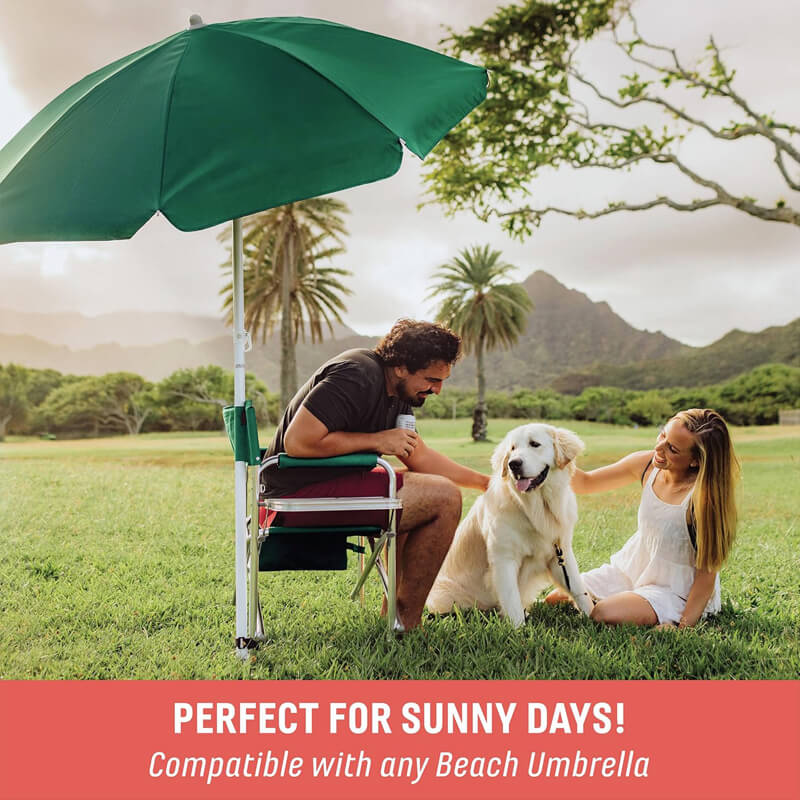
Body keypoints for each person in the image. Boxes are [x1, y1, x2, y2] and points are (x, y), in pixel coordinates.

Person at [262, 318, 490, 631]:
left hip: (330, 484)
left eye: (441, 381)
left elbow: (418, 456)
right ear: (400, 367)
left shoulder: (400, 396)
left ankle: (394, 615)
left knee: (422, 490)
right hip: (296, 494)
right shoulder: (356, 375)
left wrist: (485, 483)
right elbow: (298, 442)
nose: (437, 389)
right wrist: (377, 440)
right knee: (443, 497)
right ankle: (407, 623)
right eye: (431, 379)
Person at [546, 409, 739, 629]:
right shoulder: (647, 464)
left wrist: (682, 627)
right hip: (631, 570)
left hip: (675, 590)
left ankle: (649, 609)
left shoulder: (702, 500)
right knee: (555, 599)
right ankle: (628, 600)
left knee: (602, 613)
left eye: (672, 449)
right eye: (662, 435)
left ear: (695, 461)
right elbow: (586, 482)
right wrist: (549, 455)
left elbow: (706, 577)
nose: (658, 448)